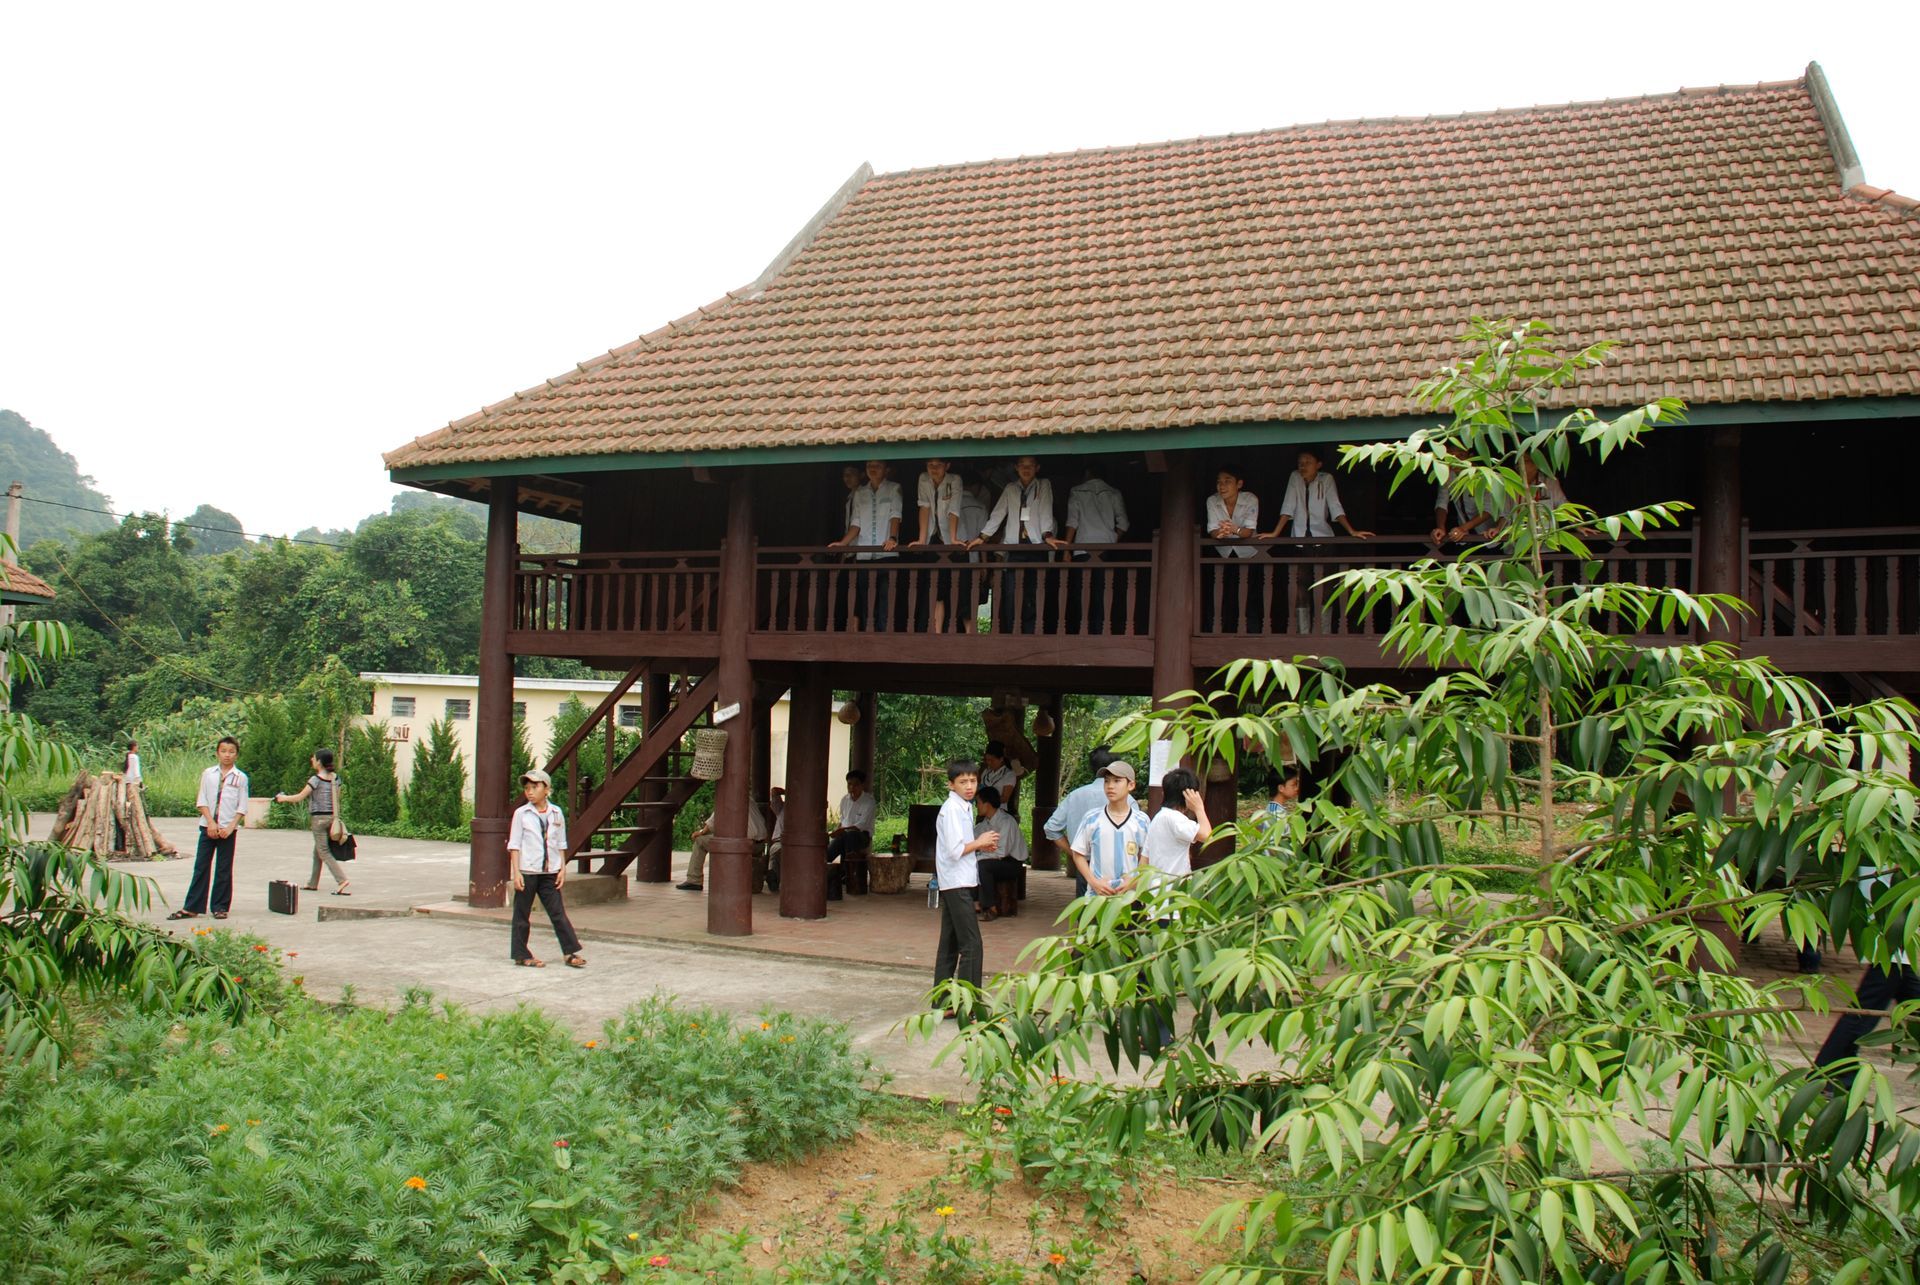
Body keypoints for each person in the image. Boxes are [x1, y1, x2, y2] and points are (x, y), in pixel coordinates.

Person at [933, 759, 1000, 1016]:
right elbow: (954, 850)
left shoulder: (964, 807)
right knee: (972, 945)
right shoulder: (951, 809)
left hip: (958, 880)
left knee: (949, 944)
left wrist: (981, 844)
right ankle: (969, 1009)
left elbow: (962, 845)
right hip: (956, 882)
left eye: (972, 781)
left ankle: (943, 1003)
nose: (969, 786)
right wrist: (979, 841)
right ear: (951, 785)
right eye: (963, 782)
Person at [969, 455, 1056, 632]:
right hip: (1014, 548)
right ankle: (1013, 633)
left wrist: (1047, 535)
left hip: (1036, 547)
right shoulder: (1011, 488)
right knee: (1012, 593)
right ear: (1016, 468)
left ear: (1037, 468)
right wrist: (982, 537)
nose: (1026, 469)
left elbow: (1046, 510)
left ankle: (1032, 634)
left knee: (1033, 594)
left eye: (1030, 465)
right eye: (1022, 465)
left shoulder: (1043, 485)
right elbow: (998, 513)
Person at [509, 768, 585, 968]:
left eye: (535, 787)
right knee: (522, 914)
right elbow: (514, 845)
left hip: (550, 872)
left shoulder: (556, 812)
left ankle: (570, 952)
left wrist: (562, 868)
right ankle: (521, 954)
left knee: (557, 912)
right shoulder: (521, 814)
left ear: (546, 789)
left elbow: (561, 842)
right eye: (527, 788)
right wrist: (516, 873)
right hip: (528, 872)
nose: (530, 792)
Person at [170, 736, 248, 921]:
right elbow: (202, 800)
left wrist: (230, 827)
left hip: (227, 830)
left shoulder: (240, 778)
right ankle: (192, 906)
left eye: (231, 752)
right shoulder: (208, 774)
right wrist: (210, 823)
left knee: (223, 868)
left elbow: (242, 807)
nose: (227, 755)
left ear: (236, 755)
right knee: (201, 867)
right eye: (223, 751)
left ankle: (220, 906)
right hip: (208, 827)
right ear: (217, 753)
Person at [830, 459, 903, 630]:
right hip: (864, 555)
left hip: (887, 553)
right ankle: (868, 636)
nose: (873, 469)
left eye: (877, 465)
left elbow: (895, 515)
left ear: (886, 469)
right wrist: (843, 544)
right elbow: (856, 524)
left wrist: (892, 538)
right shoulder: (860, 493)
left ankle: (884, 637)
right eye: (869, 465)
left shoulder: (894, 488)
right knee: (866, 601)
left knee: (886, 600)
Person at [1056, 462, 1129, 632]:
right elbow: (1124, 523)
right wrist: (1111, 539)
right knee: (1101, 593)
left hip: (1082, 550)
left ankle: (1082, 630)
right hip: (1105, 550)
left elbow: (1072, 522)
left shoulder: (1077, 491)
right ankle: (1099, 631)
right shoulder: (1113, 492)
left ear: (1087, 472)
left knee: (1081, 593)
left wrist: (1067, 550)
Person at [275, 747, 351, 897]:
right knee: (317, 851)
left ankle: (341, 880)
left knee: (323, 852)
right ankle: (312, 883)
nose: (312, 760)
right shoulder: (336, 778)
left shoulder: (315, 780)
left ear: (319, 762)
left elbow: (299, 797)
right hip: (332, 819)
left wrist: (283, 798)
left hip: (319, 819)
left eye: (314, 758)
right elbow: (337, 798)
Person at [1070, 760, 1150, 898]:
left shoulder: (1141, 821)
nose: (1110, 786)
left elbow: (1147, 855)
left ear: (1131, 785)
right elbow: (1078, 853)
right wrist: (1093, 881)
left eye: (1117, 781)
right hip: (1097, 897)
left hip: (1130, 897)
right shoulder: (1091, 818)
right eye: (1107, 781)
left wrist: (1135, 881)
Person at [1045, 746, 1116, 896]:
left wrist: (1074, 852)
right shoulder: (1127, 799)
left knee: (1085, 914)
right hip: (1117, 867)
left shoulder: (1076, 795)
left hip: (1084, 864)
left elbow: (1051, 827)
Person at [908, 457, 967, 632]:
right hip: (933, 535)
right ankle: (935, 630)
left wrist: (954, 538)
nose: (933, 469)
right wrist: (921, 539)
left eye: (938, 465)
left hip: (950, 537)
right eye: (930, 465)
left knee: (954, 585)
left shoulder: (954, 480)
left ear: (947, 466)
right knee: (934, 584)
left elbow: (953, 509)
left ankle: (952, 630)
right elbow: (924, 507)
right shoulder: (923, 479)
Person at [1266, 449, 1374, 541]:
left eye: (1308, 462)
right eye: (1300, 463)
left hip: (1323, 537)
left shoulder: (1326, 479)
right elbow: (1288, 506)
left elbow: (1335, 506)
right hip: (1299, 537)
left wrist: (1352, 531)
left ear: (1318, 465)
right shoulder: (1295, 477)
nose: (1303, 466)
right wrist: (1275, 533)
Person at [1205, 465, 1262, 632]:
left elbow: (1248, 531)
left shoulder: (1250, 499)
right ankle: (1220, 632)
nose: (1222, 486)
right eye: (1219, 482)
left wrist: (1234, 530)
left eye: (1227, 481)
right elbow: (1212, 530)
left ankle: (1252, 633)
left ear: (1239, 484)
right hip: (1223, 554)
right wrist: (1220, 533)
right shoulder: (1212, 501)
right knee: (1222, 596)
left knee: (1249, 597)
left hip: (1248, 554)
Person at [678, 798, 770, 892]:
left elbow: (712, 824)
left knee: (700, 841)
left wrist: (701, 832)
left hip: (743, 845)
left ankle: (694, 880)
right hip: (760, 844)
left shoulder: (728, 797)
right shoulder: (750, 800)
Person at [1141, 768, 1213, 887]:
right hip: (1174, 893)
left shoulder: (1158, 819)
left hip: (1155, 892)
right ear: (1190, 796)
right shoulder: (1175, 819)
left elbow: (1143, 863)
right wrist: (1199, 808)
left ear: (1164, 793)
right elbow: (1208, 836)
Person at [972, 785, 1029, 921]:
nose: (976, 806)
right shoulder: (984, 823)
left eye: (978, 803)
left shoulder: (1006, 822)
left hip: (1011, 863)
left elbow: (1001, 852)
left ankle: (991, 908)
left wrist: (978, 852)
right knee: (972, 862)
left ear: (987, 804)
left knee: (983, 866)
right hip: (994, 859)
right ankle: (975, 902)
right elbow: (972, 840)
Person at [828, 770, 876, 864]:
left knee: (851, 835)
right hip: (844, 834)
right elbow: (842, 820)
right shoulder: (844, 800)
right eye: (849, 784)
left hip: (862, 836)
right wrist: (835, 832)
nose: (852, 787)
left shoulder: (869, 801)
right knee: (828, 853)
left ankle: (848, 871)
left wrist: (842, 830)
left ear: (862, 785)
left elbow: (861, 825)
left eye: (856, 784)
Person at [1256, 765, 1304, 847]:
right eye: (1294, 784)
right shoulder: (1275, 813)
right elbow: (1273, 845)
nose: (1297, 788)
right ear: (1281, 788)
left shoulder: (1273, 809)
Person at [979, 741, 1025, 815]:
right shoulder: (986, 772)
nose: (989, 763)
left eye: (992, 760)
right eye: (987, 760)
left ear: (1001, 759)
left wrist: (986, 801)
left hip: (999, 813)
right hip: (983, 812)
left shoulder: (1009, 774)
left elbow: (1004, 798)